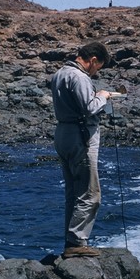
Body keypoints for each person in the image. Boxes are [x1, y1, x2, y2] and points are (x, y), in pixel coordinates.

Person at [51, 42, 112, 258]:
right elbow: (88, 108)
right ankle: (77, 242)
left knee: (73, 193)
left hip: (63, 134)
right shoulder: (79, 77)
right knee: (89, 193)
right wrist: (103, 96)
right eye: (98, 67)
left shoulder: (60, 73)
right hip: (80, 137)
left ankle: (71, 242)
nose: (96, 72)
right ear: (93, 59)